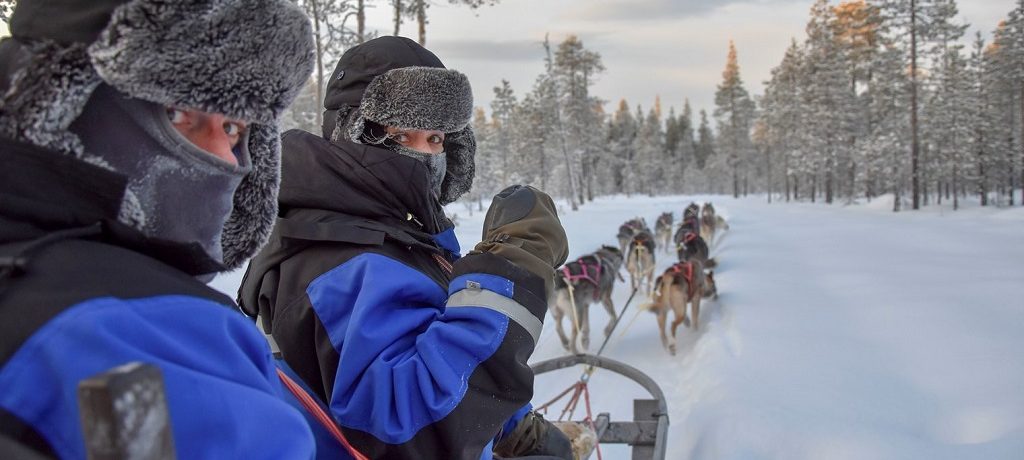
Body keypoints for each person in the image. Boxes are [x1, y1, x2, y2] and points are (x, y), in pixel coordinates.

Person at [0, 0, 324, 458]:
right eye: (177, 113)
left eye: (233, 127)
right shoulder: (141, 332)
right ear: (61, 105)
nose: (225, 158)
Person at [238, 36, 573, 460]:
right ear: (356, 133)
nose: (426, 155)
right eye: (403, 134)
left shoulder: (387, 236)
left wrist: (512, 425)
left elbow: (432, 345)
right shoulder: (334, 260)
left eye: (435, 138)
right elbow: (419, 429)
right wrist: (516, 262)